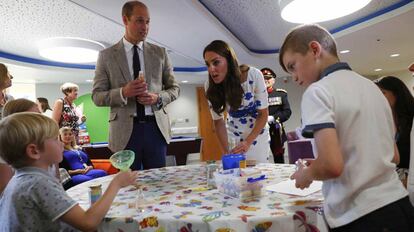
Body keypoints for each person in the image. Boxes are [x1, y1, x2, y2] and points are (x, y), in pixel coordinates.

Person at [280, 24, 413, 231]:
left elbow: (332, 165)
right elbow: (393, 155)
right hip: (400, 206)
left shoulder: (317, 92)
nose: (294, 77)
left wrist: (306, 174)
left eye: (292, 66)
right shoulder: (372, 88)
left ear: (315, 50)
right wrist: (319, 163)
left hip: (360, 216)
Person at [0, 113, 138, 231]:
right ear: (34, 151)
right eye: (55, 139)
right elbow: (88, 223)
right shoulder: (38, 183)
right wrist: (116, 183)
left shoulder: (19, 180)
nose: (61, 144)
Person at [92, 1, 180, 170]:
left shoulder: (160, 53)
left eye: (148, 22)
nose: (145, 27)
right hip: (124, 133)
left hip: (156, 129)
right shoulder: (106, 56)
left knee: (157, 183)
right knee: (128, 186)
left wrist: (157, 97)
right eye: (140, 21)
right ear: (125, 20)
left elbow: (174, 89)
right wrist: (123, 92)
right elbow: (97, 96)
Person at [204, 40, 270, 163]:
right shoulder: (209, 85)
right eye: (208, 64)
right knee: (235, 174)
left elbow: (263, 114)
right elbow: (218, 122)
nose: (211, 69)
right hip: (232, 134)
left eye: (216, 62)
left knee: (257, 173)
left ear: (229, 61)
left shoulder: (254, 75)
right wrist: (226, 152)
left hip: (256, 134)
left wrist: (248, 142)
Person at [375, 76, 414, 185]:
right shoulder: (382, 121)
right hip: (393, 183)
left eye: (383, 93)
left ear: (397, 94)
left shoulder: (411, 119)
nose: (378, 98)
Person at [261, 67, 292, 163]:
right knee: (261, 157)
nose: (266, 80)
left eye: (268, 78)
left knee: (278, 157)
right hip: (260, 130)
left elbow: (287, 112)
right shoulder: (255, 95)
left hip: (276, 130)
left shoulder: (281, 94)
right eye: (263, 78)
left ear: (273, 80)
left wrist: (273, 118)